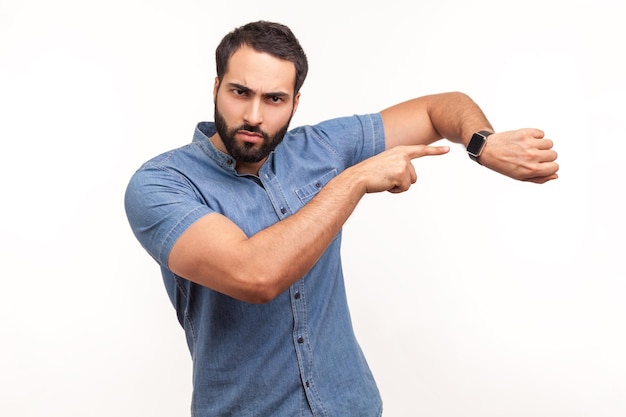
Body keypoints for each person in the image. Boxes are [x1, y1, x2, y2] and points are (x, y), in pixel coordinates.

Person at [124, 20, 558, 417]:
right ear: (217, 86)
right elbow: (254, 275)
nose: (254, 115)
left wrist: (482, 142)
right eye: (240, 92)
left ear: (295, 102)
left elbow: (439, 108)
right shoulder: (162, 184)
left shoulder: (321, 147)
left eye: (274, 99)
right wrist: (353, 182)